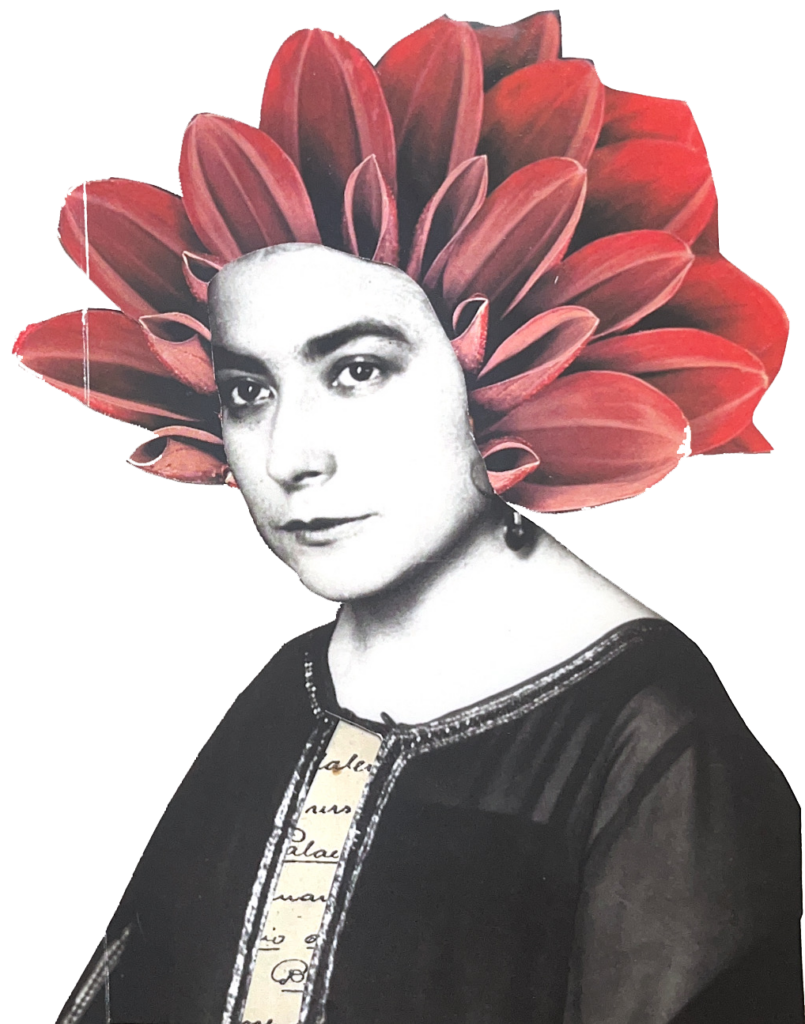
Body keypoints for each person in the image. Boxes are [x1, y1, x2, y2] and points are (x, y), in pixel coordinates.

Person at [54, 243, 801, 1023]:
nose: (286, 456)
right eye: (247, 391)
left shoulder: (656, 734)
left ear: (505, 377)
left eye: (358, 370)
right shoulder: (288, 684)